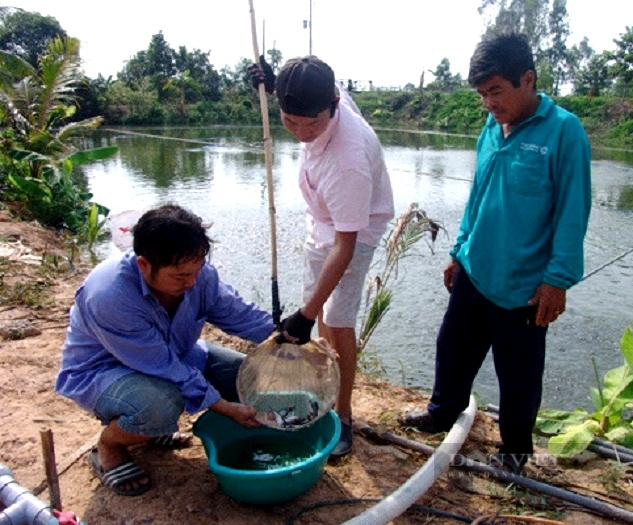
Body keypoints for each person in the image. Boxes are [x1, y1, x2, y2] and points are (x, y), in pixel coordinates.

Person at [399, 33, 592, 475]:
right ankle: (443, 412)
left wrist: (557, 280)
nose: (488, 103)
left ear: (527, 80)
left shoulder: (564, 131)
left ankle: (515, 452)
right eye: (483, 94)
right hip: (475, 268)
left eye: (496, 91)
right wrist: (458, 249)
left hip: (525, 286)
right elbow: (478, 196)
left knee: (518, 376)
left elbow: (573, 212)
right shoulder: (491, 125)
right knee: (452, 348)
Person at [55, 204, 276, 496]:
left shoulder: (198, 275)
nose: (193, 282)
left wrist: (289, 339)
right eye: (181, 276)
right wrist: (223, 407)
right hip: (105, 373)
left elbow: (242, 316)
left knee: (249, 376)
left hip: (177, 356)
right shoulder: (109, 295)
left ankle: (150, 431)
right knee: (160, 404)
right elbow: (164, 366)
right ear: (144, 265)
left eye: (197, 271)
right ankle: (110, 445)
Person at [250, 55, 394, 457]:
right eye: (290, 122)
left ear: (333, 105)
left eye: (311, 125)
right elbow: (303, 74)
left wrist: (305, 314)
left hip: (355, 230)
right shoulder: (319, 92)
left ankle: (343, 414)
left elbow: (344, 247)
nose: (301, 133)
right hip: (323, 219)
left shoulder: (348, 161)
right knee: (321, 317)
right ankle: (325, 392)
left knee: (336, 320)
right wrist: (271, 77)